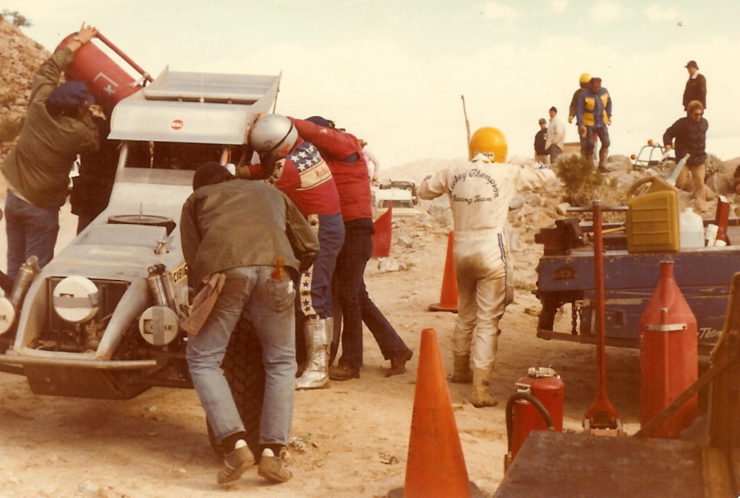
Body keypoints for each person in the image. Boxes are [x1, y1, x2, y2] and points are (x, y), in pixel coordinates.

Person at [180, 163, 319, 485]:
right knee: (281, 361)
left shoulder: (197, 199)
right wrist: (288, 271)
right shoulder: (269, 191)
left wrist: (203, 295)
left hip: (227, 273)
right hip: (278, 270)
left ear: (200, 186)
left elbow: (193, 258)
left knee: (203, 358)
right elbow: (309, 245)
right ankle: (272, 454)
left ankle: (236, 444)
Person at [418, 127, 555, 407]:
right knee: (488, 320)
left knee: (466, 313)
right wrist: (526, 161)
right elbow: (548, 176)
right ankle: (480, 388)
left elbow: (423, 189)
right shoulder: (506, 171)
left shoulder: (453, 170)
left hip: (462, 248)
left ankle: (460, 369)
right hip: (491, 248)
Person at [290, 116, 414, 381]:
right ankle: (396, 349)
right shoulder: (330, 158)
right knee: (356, 294)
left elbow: (316, 133)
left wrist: (282, 121)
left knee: (348, 294)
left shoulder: (346, 145)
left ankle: (351, 362)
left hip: (354, 230)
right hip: (346, 232)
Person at [239, 114, 344, 390]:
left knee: (310, 296)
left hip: (317, 228)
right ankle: (312, 364)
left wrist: (232, 177)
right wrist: (240, 172)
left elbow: (262, 189)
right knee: (314, 293)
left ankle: (318, 371)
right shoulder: (305, 148)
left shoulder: (287, 168)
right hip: (326, 225)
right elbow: (268, 170)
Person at [1, 24, 100, 280]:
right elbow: (94, 142)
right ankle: (28, 317)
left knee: (15, 265)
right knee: (36, 271)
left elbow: (49, 68)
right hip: (41, 208)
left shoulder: (39, 103)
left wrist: (78, 41)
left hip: (14, 198)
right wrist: (87, 115)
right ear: (77, 110)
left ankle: (9, 314)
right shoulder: (76, 132)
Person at [70, 114, 119, 233]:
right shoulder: (113, 133)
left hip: (88, 191)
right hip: (104, 188)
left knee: (84, 232)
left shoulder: (89, 134)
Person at [663, 100, 709, 212]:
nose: (699, 116)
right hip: (684, 159)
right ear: (689, 113)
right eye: (696, 114)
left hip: (699, 159)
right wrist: (668, 144)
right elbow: (668, 133)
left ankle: (700, 207)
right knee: (679, 183)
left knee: (700, 184)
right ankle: (671, 206)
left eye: (701, 114)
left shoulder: (705, 123)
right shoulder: (682, 123)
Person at [576, 76, 612, 172]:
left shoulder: (604, 91)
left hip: (601, 122)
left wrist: (609, 116)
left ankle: (602, 165)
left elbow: (609, 103)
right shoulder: (583, 95)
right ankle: (589, 166)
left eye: (598, 87)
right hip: (589, 123)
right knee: (590, 144)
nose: (596, 89)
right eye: (594, 87)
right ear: (590, 86)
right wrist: (581, 124)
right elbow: (579, 110)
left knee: (606, 142)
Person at [568, 72, 591, 156]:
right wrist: (571, 115)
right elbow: (573, 105)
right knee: (584, 144)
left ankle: (592, 161)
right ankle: (585, 162)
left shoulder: (594, 93)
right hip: (582, 123)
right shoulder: (577, 93)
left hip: (592, 123)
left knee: (592, 144)